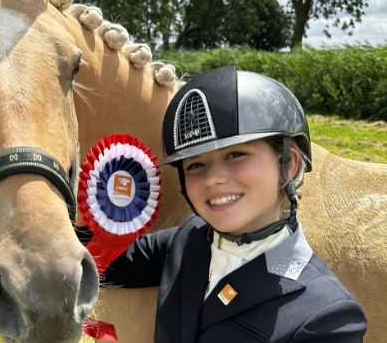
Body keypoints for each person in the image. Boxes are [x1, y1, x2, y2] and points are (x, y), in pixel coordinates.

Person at [100, 66, 367, 342]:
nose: (213, 178)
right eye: (196, 164)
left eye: (236, 154)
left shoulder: (328, 319)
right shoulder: (186, 240)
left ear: (289, 165)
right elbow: (103, 261)